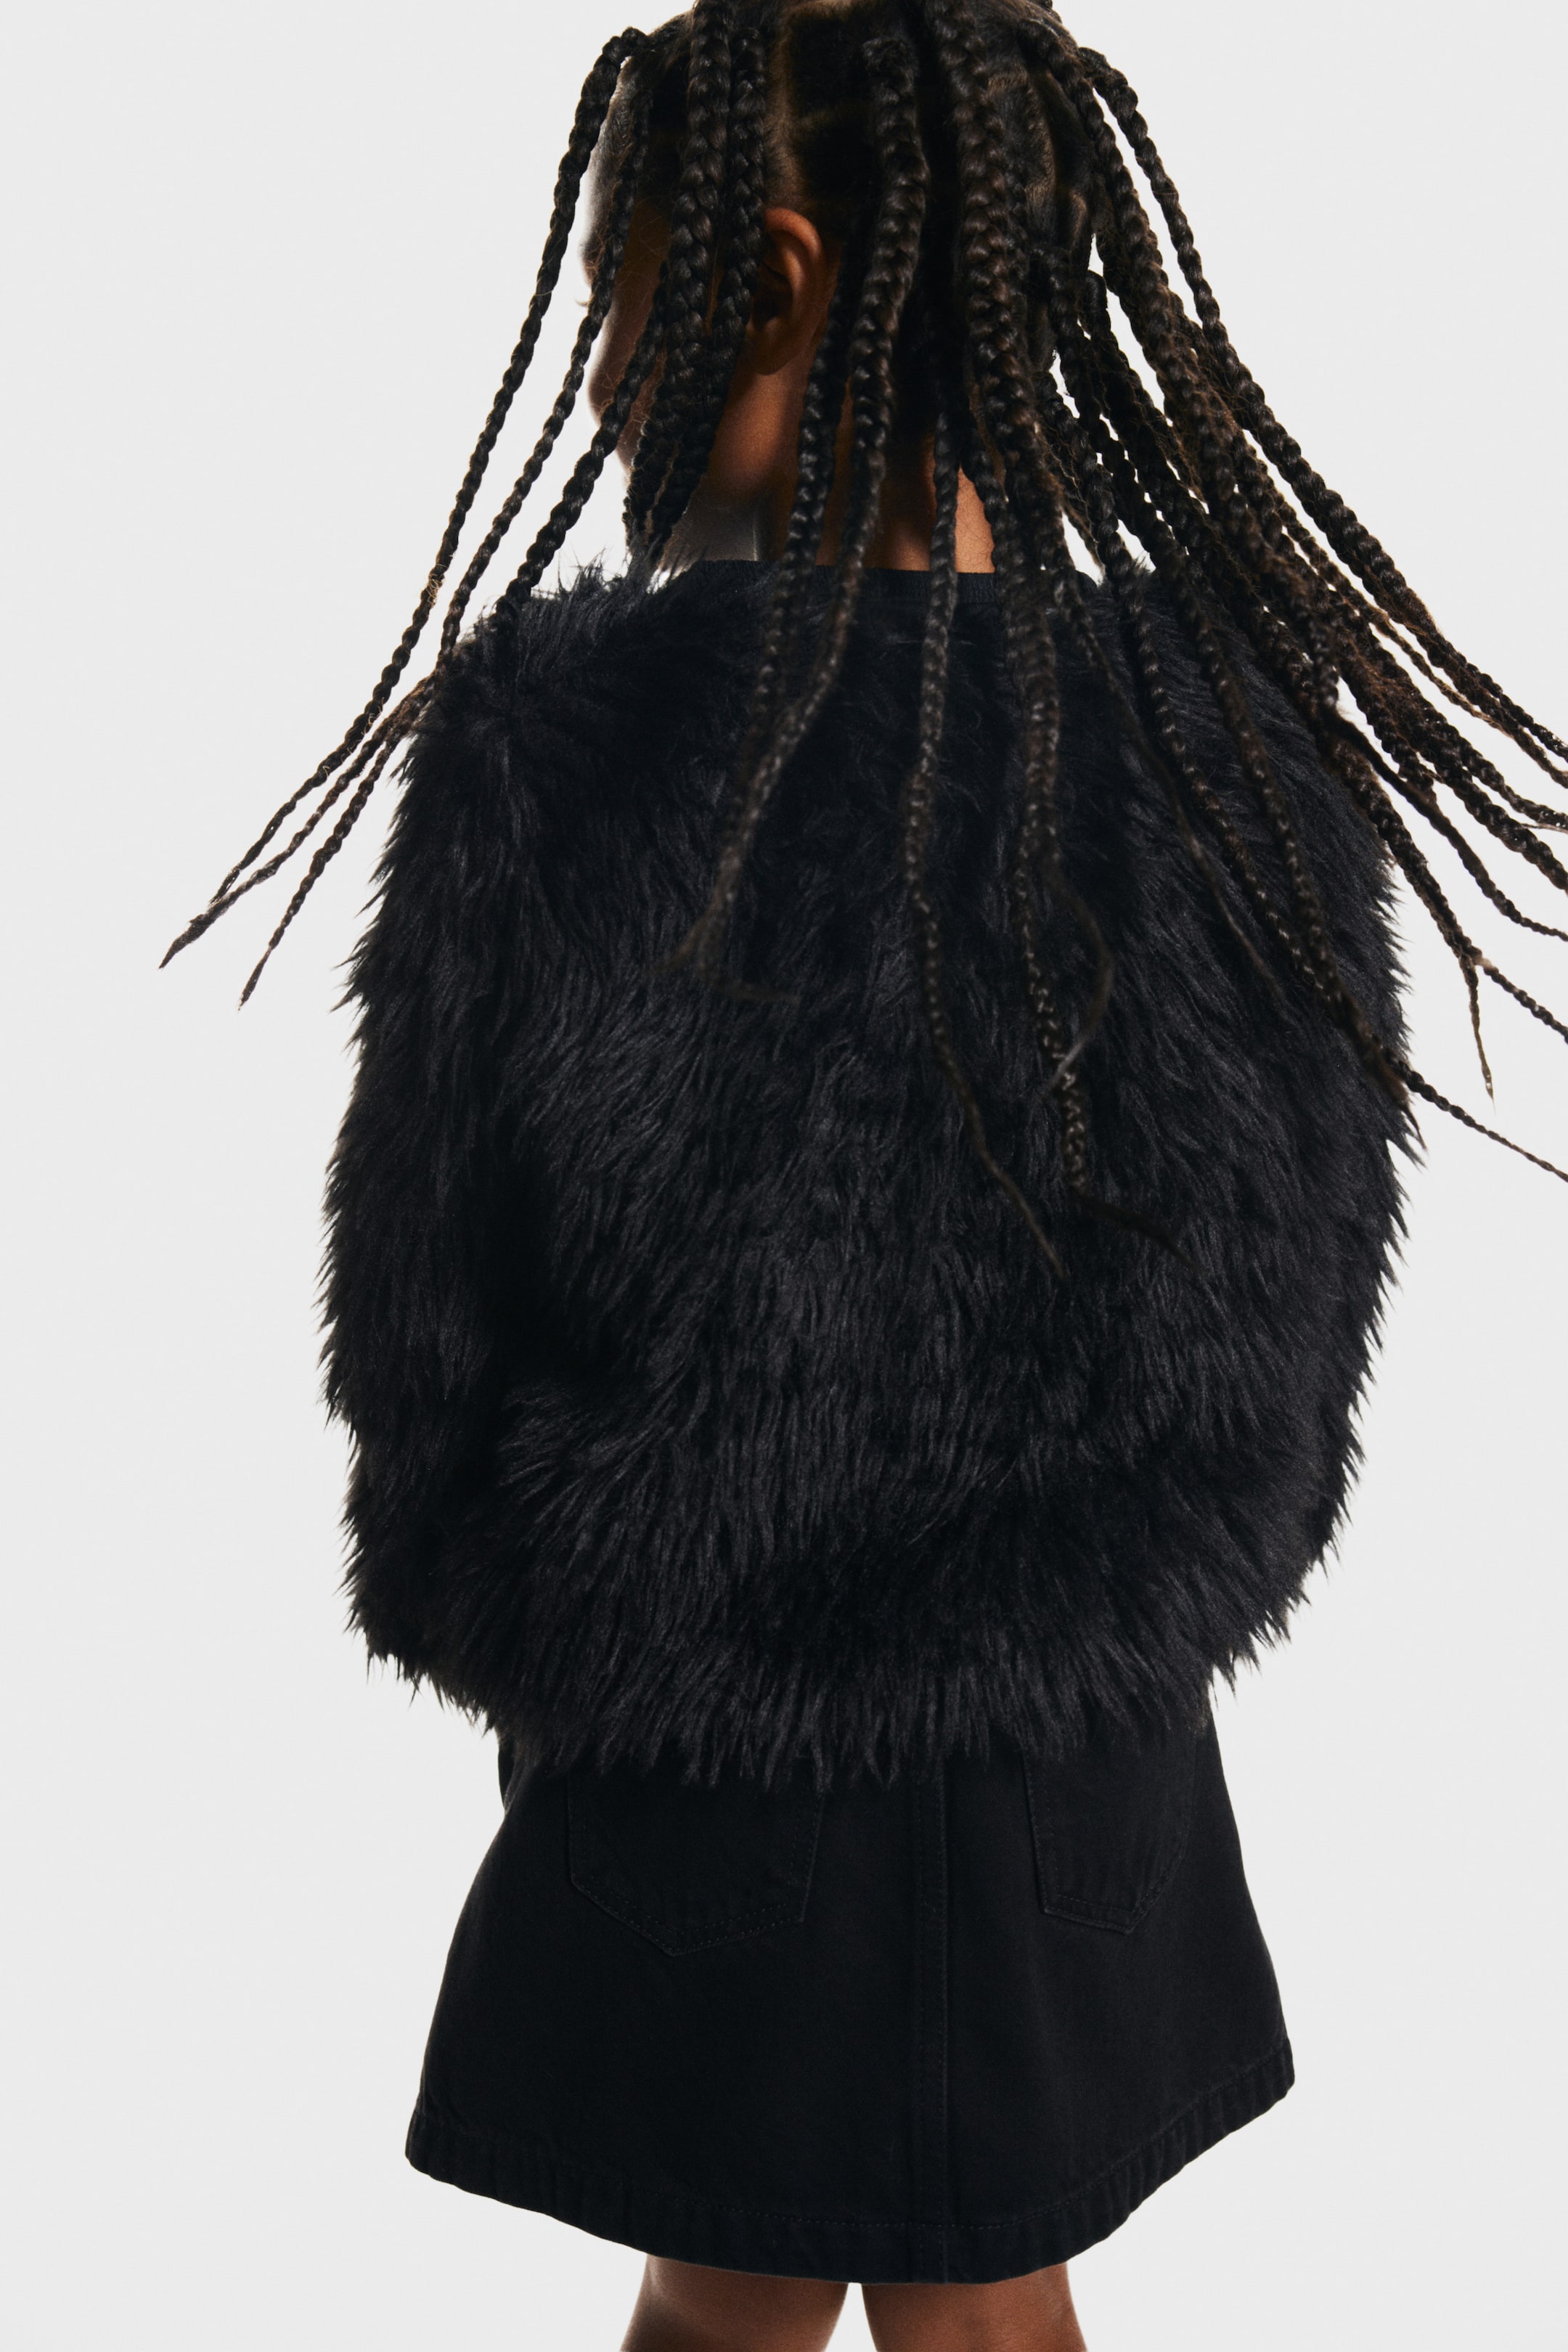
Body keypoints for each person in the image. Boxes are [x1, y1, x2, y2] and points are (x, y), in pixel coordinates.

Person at [165, 3, 1568, 2345]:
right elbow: (1300, 1293)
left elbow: (422, 1314)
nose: (600, 369)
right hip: (1071, 1773)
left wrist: (555, 1585)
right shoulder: (1227, 753)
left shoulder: (566, 756)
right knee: (977, 2305)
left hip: (696, 1754)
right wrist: (1110, 1583)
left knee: (737, 2301)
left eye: (625, 293)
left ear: (779, 276)